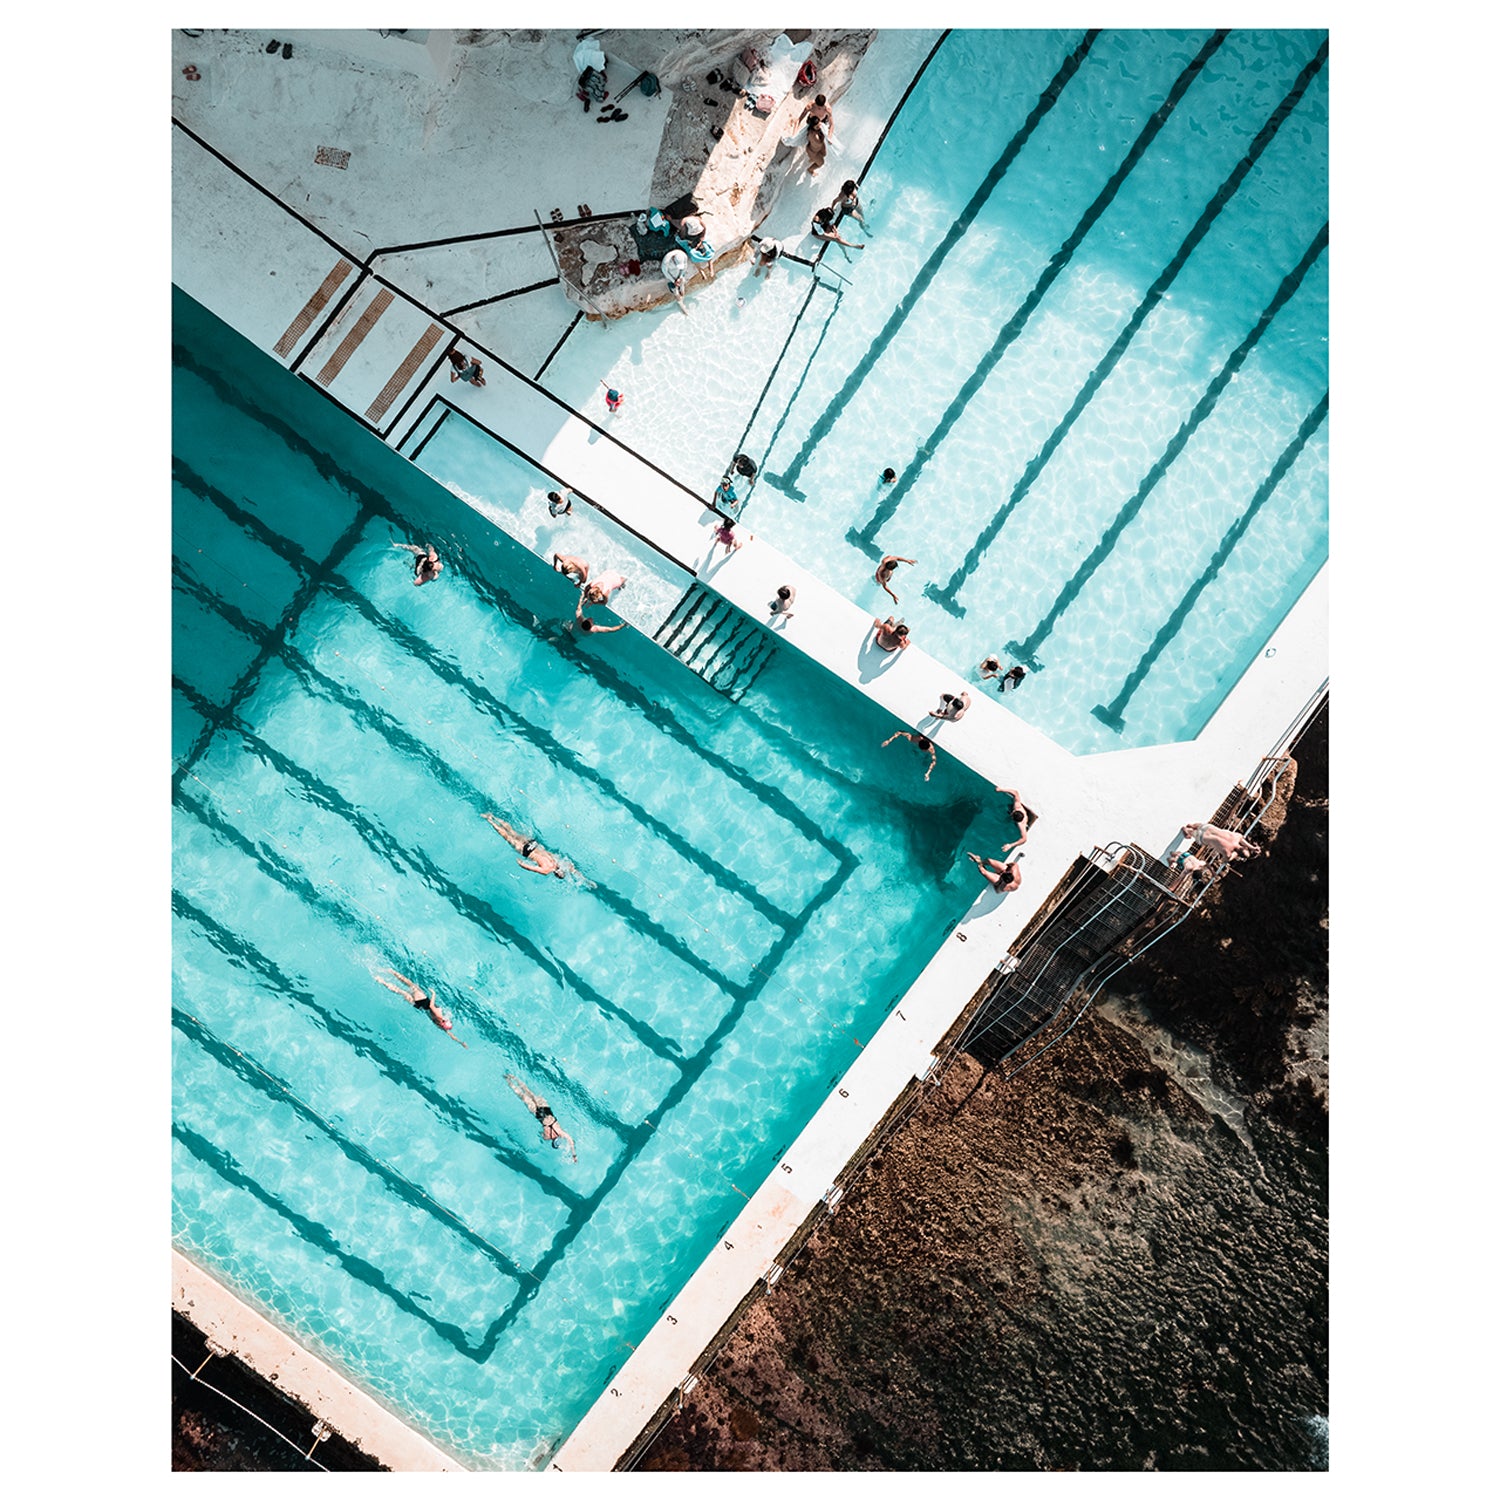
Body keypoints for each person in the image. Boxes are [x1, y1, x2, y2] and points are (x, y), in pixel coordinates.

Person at [372, 969, 467, 1046]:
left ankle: (391, 972)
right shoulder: (438, 1025)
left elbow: (431, 1005)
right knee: (400, 991)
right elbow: (450, 1035)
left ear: (444, 1021)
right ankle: (382, 981)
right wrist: (460, 1042)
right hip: (418, 1005)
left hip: (422, 999)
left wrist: (433, 994)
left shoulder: (439, 1015)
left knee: (411, 985)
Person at [506, 1075, 578, 1162]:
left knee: (528, 1093)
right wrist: (573, 1155)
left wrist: (574, 1154)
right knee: (524, 1096)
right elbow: (540, 1134)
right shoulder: (549, 1136)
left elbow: (570, 1140)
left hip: (545, 1110)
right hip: (539, 1115)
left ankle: (513, 1078)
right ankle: (510, 1081)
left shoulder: (559, 1132)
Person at [482, 812, 573, 877]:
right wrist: (522, 864)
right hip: (526, 851)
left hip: (533, 844)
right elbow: (531, 868)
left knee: (512, 832)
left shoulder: (556, 861)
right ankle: (490, 820)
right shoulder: (546, 870)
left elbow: (570, 866)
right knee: (507, 836)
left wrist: (580, 875)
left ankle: (494, 816)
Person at [1182, 822, 1262, 861]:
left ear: (1244, 847)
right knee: (1191, 833)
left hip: (1208, 828)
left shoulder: (1237, 837)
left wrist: (1253, 848)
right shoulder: (1228, 853)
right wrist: (1235, 855)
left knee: (1198, 826)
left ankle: (1192, 826)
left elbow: (1242, 839)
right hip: (1203, 837)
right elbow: (1224, 860)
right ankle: (1188, 831)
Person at [995, 787, 1038, 852]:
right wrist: (1001, 789)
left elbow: (1024, 839)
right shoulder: (1017, 807)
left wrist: (1010, 845)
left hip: (1025, 821)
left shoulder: (1021, 825)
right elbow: (1016, 792)